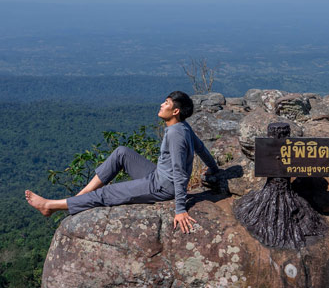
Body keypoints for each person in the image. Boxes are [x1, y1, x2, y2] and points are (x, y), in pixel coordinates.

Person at [25, 91, 219, 233]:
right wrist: (214, 168)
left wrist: (180, 209)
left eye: (166, 103)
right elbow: (201, 148)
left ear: (175, 111)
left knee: (107, 193)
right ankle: (82, 195)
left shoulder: (176, 134)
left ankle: (50, 206)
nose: (161, 104)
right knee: (122, 153)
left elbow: (179, 172)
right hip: (158, 175)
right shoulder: (182, 126)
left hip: (161, 186)